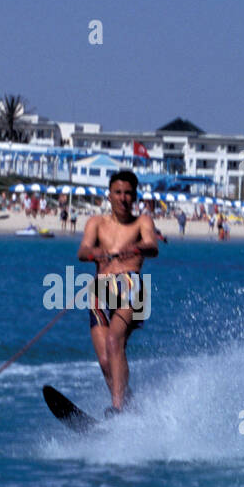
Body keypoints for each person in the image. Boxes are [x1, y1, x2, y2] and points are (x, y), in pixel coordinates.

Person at [77, 171, 158, 415]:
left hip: (131, 286)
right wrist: (94, 254)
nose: (123, 198)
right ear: (109, 195)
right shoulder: (96, 223)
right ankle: (130, 407)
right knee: (105, 361)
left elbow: (152, 246)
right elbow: (82, 251)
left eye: (128, 194)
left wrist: (136, 247)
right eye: (118, 193)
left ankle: (117, 409)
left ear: (135, 197)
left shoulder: (142, 222)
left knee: (115, 341)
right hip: (101, 289)